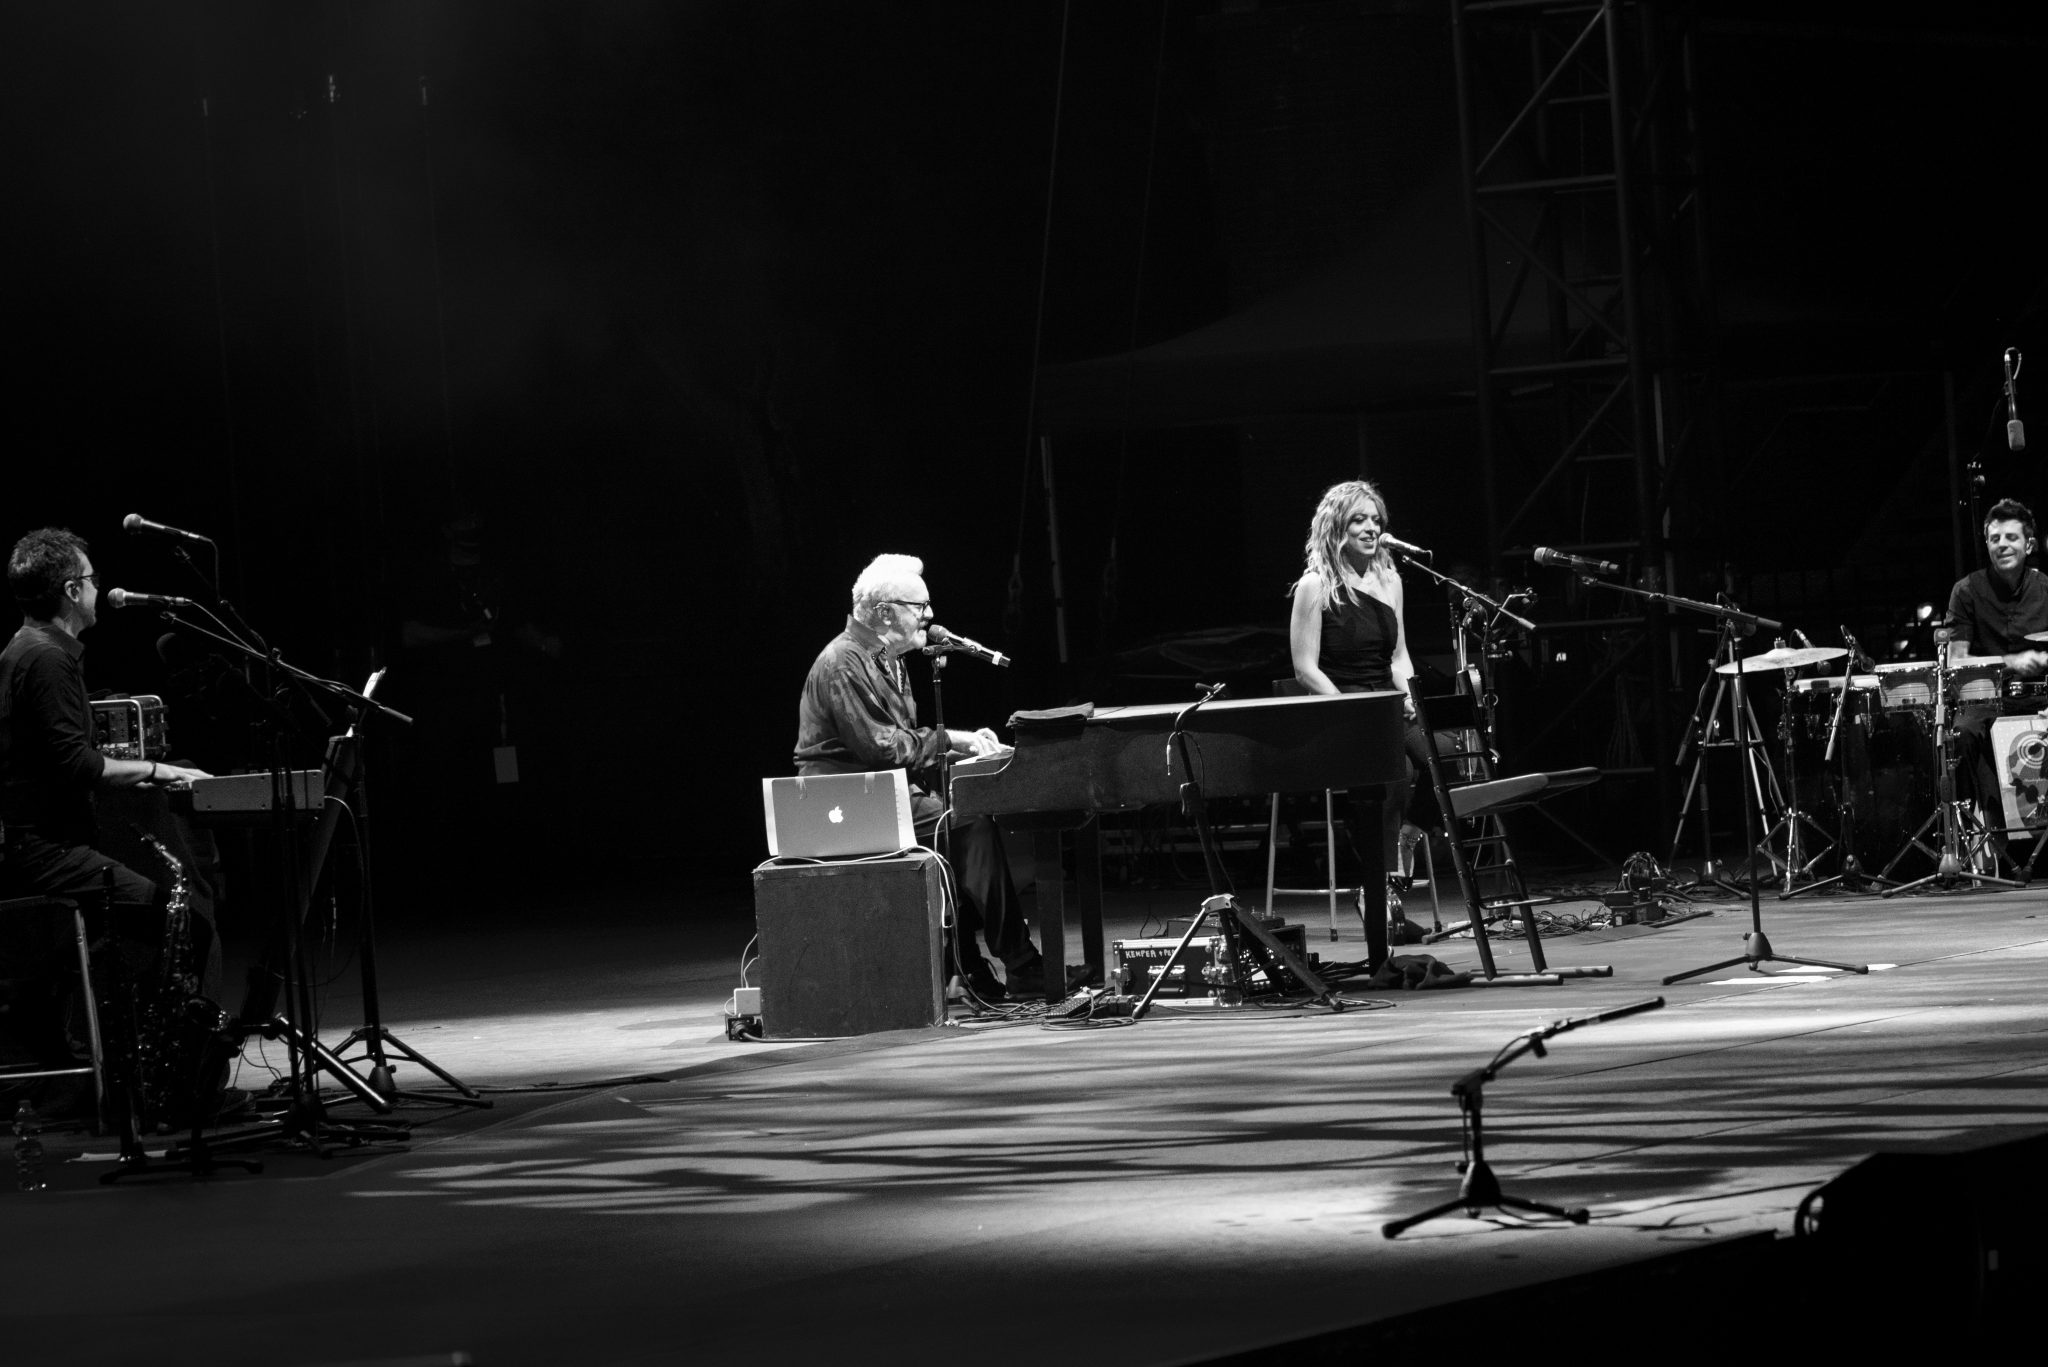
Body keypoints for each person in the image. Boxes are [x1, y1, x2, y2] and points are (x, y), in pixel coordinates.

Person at [0, 528, 210, 1093]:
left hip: (45, 839)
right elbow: (78, 765)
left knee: (131, 924)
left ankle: (95, 1048)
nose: (99, 589)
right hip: (42, 849)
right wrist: (160, 770)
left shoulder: (33, 649)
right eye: (92, 580)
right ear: (72, 590)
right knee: (171, 916)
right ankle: (157, 1077)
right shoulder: (45, 657)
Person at [794, 554, 1044, 1000]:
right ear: (884, 611)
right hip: (841, 804)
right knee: (968, 826)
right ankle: (1020, 966)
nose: (929, 615)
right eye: (920, 606)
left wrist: (964, 749)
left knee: (966, 819)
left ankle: (967, 967)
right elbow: (881, 747)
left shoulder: (887, 659)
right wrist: (951, 740)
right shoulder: (844, 661)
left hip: (878, 795)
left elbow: (900, 743)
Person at [1288, 481, 1437, 967]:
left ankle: (1406, 841)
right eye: (1359, 520)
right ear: (1337, 529)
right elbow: (1305, 668)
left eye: (1376, 519)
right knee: (1394, 773)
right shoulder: (1315, 587)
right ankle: (1380, 889)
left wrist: (1409, 696)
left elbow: (1398, 655)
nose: (1372, 528)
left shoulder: (1390, 580)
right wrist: (1347, 711)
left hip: (1388, 700)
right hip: (1344, 706)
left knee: (1455, 756)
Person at [1943, 498, 2048, 842]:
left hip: (2038, 695)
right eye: (1994, 538)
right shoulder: (1966, 591)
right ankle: (1975, 836)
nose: (2001, 544)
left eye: (2011, 537)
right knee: (1961, 732)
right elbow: (1955, 661)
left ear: (2029, 545)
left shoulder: (2045, 589)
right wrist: (2010, 662)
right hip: (1985, 698)